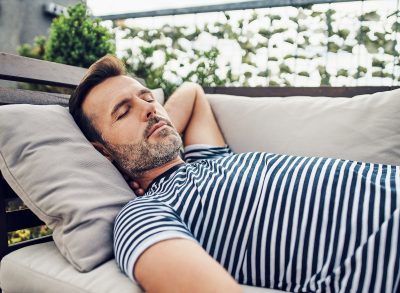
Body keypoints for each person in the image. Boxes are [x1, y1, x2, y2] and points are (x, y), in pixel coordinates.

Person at [69, 55, 400, 293]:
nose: (150, 108)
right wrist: (129, 164)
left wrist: (153, 122)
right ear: (103, 151)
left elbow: (193, 92)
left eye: (148, 97)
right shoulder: (143, 213)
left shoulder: (207, 159)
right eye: (124, 112)